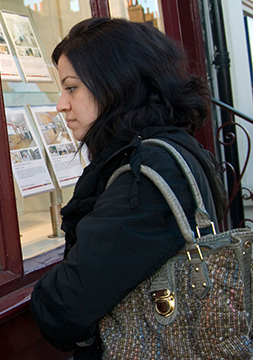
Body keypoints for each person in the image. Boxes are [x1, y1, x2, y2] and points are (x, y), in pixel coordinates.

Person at [30, 18, 227, 359]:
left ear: (116, 83)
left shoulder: (148, 172)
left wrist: (44, 295)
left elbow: (67, 304)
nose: (61, 105)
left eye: (72, 88)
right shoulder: (166, 149)